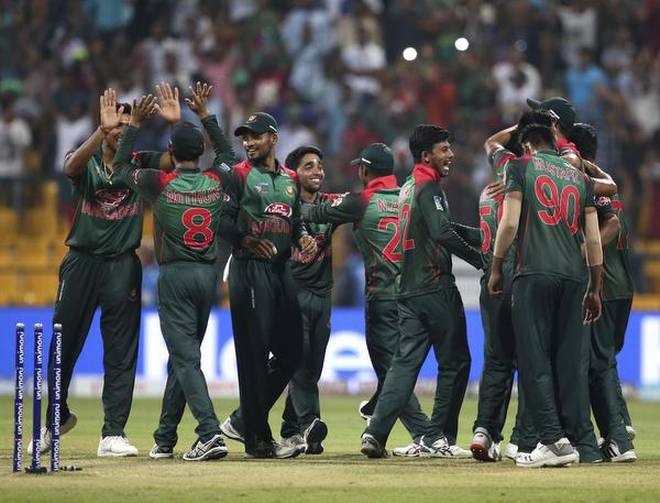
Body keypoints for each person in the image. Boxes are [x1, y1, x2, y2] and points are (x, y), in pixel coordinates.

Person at [29, 85, 180, 458]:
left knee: (121, 352)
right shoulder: (89, 159)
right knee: (63, 345)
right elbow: (68, 167)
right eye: (115, 125)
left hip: (121, 264)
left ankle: (112, 433)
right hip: (81, 261)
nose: (119, 130)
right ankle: (54, 421)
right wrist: (100, 129)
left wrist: (175, 125)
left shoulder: (140, 161)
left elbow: (178, 161)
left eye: (126, 125)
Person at [114, 82, 235, 461]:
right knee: (183, 360)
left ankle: (209, 433)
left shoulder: (159, 182)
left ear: (170, 153)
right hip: (208, 278)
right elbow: (230, 154)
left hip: (176, 277)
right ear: (201, 152)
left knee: (185, 360)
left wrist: (133, 124)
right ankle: (165, 438)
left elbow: (119, 167)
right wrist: (204, 116)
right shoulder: (217, 180)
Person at [488, 110, 606, 468]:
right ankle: (581, 443)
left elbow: (509, 224)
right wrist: (595, 287)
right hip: (575, 276)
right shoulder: (579, 177)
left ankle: (553, 441)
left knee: (534, 358)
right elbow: (594, 239)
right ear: (556, 145)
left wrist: (496, 267)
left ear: (527, 145)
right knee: (570, 361)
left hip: (534, 272)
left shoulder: (521, 168)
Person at [300, 143, 431, 457]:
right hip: (412, 295)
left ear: (364, 170)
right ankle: (383, 412)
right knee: (397, 368)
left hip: (382, 297)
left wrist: (285, 203)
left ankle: (424, 433)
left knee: (390, 370)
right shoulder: (408, 197)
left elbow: (314, 211)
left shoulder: (361, 201)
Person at [360, 126, 483, 458]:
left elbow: (442, 226)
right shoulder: (430, 187)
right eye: (444, 149)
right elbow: (442, 232)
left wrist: (480, 235)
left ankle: (375, 433)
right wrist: (481, 259)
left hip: (408, 288)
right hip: (435, 285)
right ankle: (437, 437)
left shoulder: (410, 187)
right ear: (427, 155)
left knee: (404, 364)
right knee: (456, 361)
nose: (451, 155)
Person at [218, 112, 317, 459]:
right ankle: (258, 440)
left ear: (273, 138)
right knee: (254, 356)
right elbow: (222, 222)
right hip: (250, 271)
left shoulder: (290, 179)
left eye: (255, 136)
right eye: (245, 137)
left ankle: (245, 418)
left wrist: (303, 237)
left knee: (293, 351)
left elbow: (296, 221)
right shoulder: (238, 176)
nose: (248, 143)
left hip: (280, 270)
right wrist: (245, 241)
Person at [570, 122, 637, 462]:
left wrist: (581, 250)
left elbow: (611, 224)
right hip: (623, 285)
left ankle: (618, 436)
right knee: (605, 359)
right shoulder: (603, 178)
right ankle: (621, 425)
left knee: (599, 361)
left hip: (608, 286)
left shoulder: (592, 188)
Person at [278, 144, 335, 455]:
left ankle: (291, 431)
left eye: (319, 166)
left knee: (312, 368)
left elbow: (354, 207)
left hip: (323, 296)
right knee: (299, 362)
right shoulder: (283, 207)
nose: (318, 171)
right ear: (293, 174)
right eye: (309, 166)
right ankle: (310, 422)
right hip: (294, 295)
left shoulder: (330, 205)